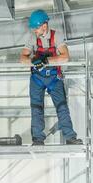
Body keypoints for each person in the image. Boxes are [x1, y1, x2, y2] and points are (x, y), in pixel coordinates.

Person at [20, 10, 83, 145]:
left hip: (54, 77)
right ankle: (38, 139)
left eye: (36, 28)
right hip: (37, 78)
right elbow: (22, 59)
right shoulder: (32, 38)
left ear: (44, 25)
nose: (34, 31)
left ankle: (70, 137)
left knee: (62, 107)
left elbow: (65, 57)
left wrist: (47, 61)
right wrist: (34, 61)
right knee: (36, 107)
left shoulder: (57, 36)